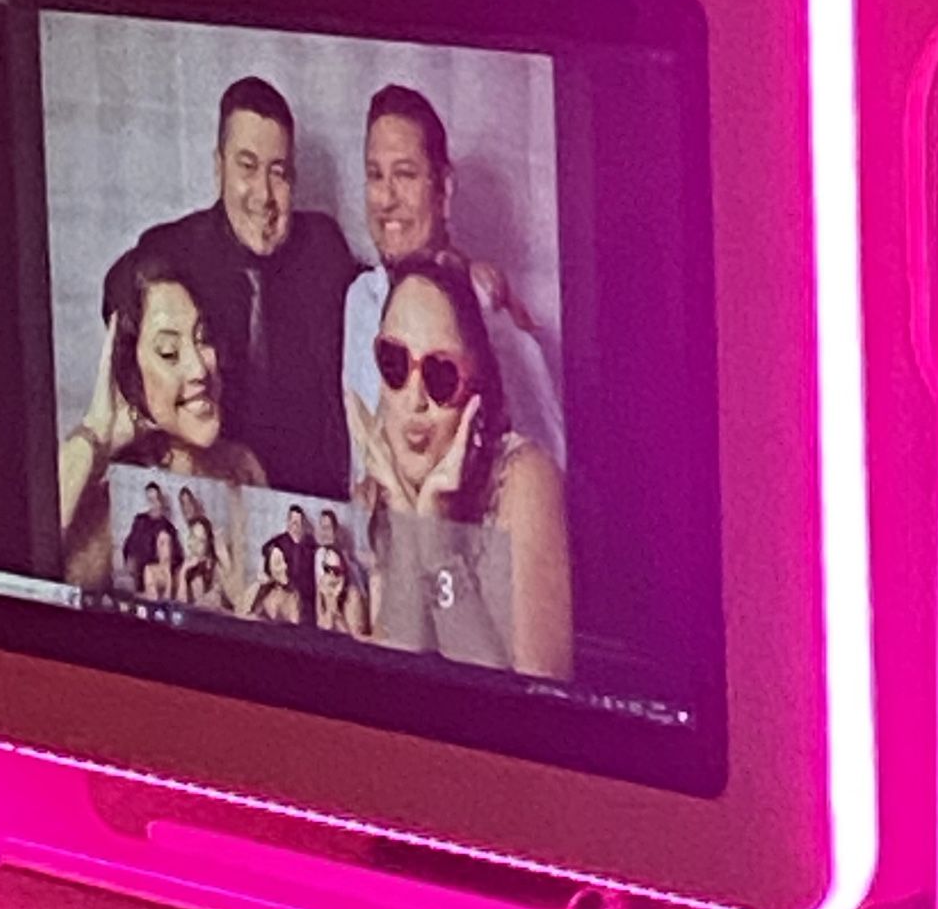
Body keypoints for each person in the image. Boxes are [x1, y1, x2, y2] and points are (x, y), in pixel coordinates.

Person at [103, 77, 362, 495]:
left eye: (278, 173)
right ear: (218, 167)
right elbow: (127, 336)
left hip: (315, 504)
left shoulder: (323, 246)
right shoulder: (171, 250)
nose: (264, 195)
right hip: (212, 496)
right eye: (247, 167)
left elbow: (387, 299)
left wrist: (444, 261)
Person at [349, 255, 572, 679]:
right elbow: (392, 682)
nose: (414, 399)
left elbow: (524, 705)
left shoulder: (524, 478)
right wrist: (406, 517)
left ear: (477, 392)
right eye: (394, 363)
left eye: (440, 375)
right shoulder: (380, 485)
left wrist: (438, 550)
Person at [342, 84, 565, 471]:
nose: (385, 199)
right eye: (375, 175)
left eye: (405, 175)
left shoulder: (489, 314)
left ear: (443, 190)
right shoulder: (361, 299)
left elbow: (551, 470)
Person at [60, 253, 265, 588]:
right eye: (169, 352)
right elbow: (20, 565)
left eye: (204, 339)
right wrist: (96, 432)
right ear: (129, 367)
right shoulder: (108, 490)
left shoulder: (242, 467)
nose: (199, 369)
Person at [123, 482, 179, 589]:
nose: (154, 504)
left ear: (161, 500)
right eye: (150, 500)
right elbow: (129, 544)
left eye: (156, 499)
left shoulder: (169, 528)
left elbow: (176, 557)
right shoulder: (140, 521)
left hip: (158, 576)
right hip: (138, 574)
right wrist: (129, 558)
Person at [265, 503, 317, 619]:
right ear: (288, 523)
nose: (295, 527)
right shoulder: (279, 541)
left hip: (304, 596)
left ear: (302, 525)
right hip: (283, 591)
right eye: (293, 523)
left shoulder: (310, 545)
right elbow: (267, 551)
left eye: (298, 523)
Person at [239, 540, 303, 626]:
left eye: (287, 561)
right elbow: (245, 619)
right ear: (269, 567)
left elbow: (295, 627)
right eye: (277, 563)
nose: (284, 567)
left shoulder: (294, 595)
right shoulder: (260, 591)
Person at [179, 515, 233, 611]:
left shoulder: (215, 568)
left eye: (201, 541)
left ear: (208, 545)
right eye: (193, 537)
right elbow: (180, 607)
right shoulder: (183, 568)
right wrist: (183, 573)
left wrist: (224, 558)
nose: (195, 544)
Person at [315, 544, 370, 637]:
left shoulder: (352, 596)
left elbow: (355, 638)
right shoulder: (321, 591)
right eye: (327, 569)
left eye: (336, 571)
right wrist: (329, 604)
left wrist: (336, 612)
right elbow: (323, 627)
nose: (332, 575)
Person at [141, 525, 179, 602]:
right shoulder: (150, 570)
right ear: (155, 547)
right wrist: (168, 578)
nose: (167, 549)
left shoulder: (179, 570)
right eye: (162, 544)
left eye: (169, 543)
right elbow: (158, 602)